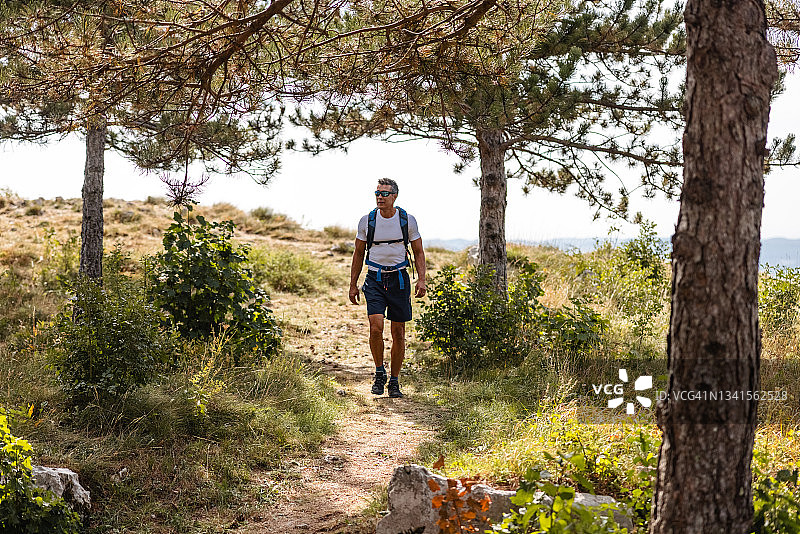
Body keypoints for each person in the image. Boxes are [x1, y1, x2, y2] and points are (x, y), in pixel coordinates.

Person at [349, 178, 426, 398]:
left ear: (394, 196)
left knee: (398, 333)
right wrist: (353, 284)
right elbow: (358, 253)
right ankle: (379, 372)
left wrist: (422, 280)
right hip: (374, 279)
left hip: (399, 279)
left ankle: (394, 381)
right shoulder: (367, 221)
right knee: (375, 328)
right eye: (377, 193)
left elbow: (419, 252)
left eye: (384, 193)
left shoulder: (407, 220)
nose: (379, 197)